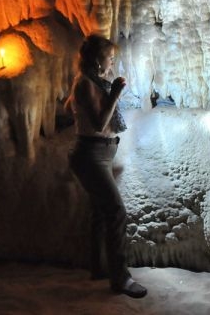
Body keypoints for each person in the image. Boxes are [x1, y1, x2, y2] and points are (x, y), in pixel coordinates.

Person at [67, 33, 148, 299]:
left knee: (100, 213)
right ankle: (120, 279)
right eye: (109, 58)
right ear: (97, 59)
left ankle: (98, 267)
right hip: (90, 155)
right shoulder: (85, 84)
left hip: (100, 153)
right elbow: (101, 123)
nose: (112, 63)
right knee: (115, 211)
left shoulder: (92, 82)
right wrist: (114, 93)